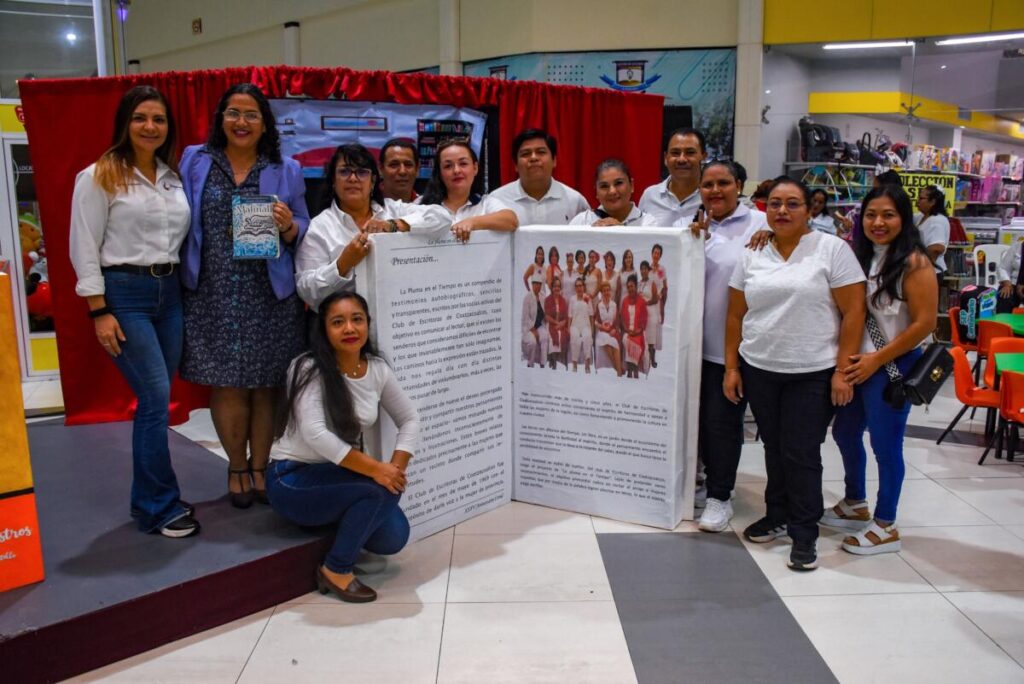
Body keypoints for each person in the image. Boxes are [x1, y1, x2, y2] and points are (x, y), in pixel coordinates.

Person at [69, 85, 198, 538]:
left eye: (158, 119)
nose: (150, 127)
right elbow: (83, 246)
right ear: (125, 122)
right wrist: (98, 311)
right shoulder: (98, 176)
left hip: (170, 294)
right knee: (155, 398)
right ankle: (159, 507)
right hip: (124, 295)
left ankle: (149, 499)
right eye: (141, 117)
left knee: (158, 399)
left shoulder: (172, 177)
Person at [724, 177, 866, 571]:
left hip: (812, 371)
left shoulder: (831, 249)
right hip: (760, 367)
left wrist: (843, 372)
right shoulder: (753, 252)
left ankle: (805, 533)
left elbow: (854, 312)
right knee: (773, 446)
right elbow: (735, 315)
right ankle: (778, 514)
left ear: (809, 209)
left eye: (792, 204)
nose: (782, 211)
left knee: (801, 452)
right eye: (774, 204)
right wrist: (732, 367)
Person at [179, 83, 310, 509]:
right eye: (233, 112)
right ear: (221, 119)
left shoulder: (285, 168)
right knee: (227, 383)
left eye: (251, 114)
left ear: (265, 123)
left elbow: (304, 225)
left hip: (269, 291)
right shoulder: (195, 160)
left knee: (266, 384)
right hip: (212, 290)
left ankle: (260, 467)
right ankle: (236, 466)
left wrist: (289, 226)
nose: (241, 122)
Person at [268, 291, 419, 603]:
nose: (350, 328)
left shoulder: (376, 369)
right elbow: (315, 434)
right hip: (292, 478)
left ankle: (340, 516)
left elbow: (410, 419)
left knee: (394, 537)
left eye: (357, 320)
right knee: (380, 491)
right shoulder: (307, 367)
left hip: (335, 475)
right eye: (338, 322)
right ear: (324, 329)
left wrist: (395, 469)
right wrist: (378, 471)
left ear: (367, 324)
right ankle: (336, 569)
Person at [826, 186, 937, 555]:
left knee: (886, 445)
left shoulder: (915, 263)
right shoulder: (857, 256)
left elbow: (924, 324)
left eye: (888, 214)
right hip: (858, 363)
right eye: (871, 214)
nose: (878, 222)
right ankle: (855, 501)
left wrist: (877, 358)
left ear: (903, 218)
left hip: (892, 366)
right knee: (844, 431)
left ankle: (886, 524)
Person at [684, 161, 769, 534]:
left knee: (722, 425)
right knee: (696, 424)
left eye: (723, 183)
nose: (715, 190)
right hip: (690, 348)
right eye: (708, 184)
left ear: (739, 185)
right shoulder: (690, 226)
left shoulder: (762, 224)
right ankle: (697, 485)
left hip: (732, 349)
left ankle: (720, 496)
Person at [295, 144, 450, 311]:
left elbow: (443, 217)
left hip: (400, 313)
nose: (353, 179)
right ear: (333, 180)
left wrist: (394, 225)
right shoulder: (319, 227)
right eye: (344, 171)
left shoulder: (393, 210)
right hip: (346, 321)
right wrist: (343, 264)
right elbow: (306, 290)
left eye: (362, 172)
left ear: (373, 181)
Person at [419, 138, 518, 242]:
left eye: (463, 164)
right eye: (448, 166)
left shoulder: (485, 203)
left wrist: (472, 222)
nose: (456, 170)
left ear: (475, 168)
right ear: (439, 173)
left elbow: (511, 220)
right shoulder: (423, 204)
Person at [490, 128, 590, 225]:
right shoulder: (497, 200)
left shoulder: (575, 201)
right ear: (515, 165)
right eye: (526, 154)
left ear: (554, 160)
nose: (533, 158)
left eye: (541, 152)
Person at [639, 128, 707, 227]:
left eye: (690, 152)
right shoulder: (650, 195)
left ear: (704, 157)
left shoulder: (711, 196)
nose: (682, 159)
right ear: (665, 158)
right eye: (675, 153)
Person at [570, 159, 658, 226]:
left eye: (618, 183)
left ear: (632, 185)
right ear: (596, 192)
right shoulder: (582, 222)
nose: (612, 191)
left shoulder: (648, 223)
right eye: (604, 186)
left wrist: (620, 233)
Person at [915, 184, 950, 282]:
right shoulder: (921, 217)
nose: (917, 201)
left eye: (921, 198)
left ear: (932, 202)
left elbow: (937, 248)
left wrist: (923, 268)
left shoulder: (937, 221)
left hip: (930, 272)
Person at [619, 274, 648, 378]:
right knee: (626, 339)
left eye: (632, 286)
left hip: (638, 332)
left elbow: (644, 320)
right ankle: (631, 371)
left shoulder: (641, 301)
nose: (630, 289)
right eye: (628, 287)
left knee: (635, 342)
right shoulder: (625, 301)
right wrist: (627, 330)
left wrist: (637, 331)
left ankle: (633, 370)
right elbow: (622, 319)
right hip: (627, 331)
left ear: (636, 287)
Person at [594, 280, 623, 376]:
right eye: (604, 291)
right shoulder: (599, 305)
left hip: (612, 331)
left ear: (610, 291)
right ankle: (619, 370)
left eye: (608, 290)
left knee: (614, 343)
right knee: (605, 340)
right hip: (602, 331)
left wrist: (614, 329)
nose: (606, 292)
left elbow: (617, 321)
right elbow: (595, 321)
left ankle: (618, 372)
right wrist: (601, 326)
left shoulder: (614, 305)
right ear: (601, 293)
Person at [378, 138, 419, 203]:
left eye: (408, 165)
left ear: (417, 169)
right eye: (394, 165)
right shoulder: (366, 204)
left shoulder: (427, 206)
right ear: (380, 168)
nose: (402, 171)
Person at [568, 278, 595, 373]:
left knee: (587, 337)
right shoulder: (572, 299)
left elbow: (591, 315)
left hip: (585, 324)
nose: (579, 288)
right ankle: (574, 364)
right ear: (575, 288)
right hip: (575, 324)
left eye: (580, 286)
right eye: (577, 286)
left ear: (583, 287)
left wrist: (592, 329)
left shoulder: (587, 298)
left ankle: (587, 364)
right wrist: (568, 328)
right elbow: (570, 315)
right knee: (574, 337)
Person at [522, 274, 549, 366]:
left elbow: (544, 312)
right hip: (529, 327)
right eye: (535, 284)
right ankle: (530, 364)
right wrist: (533, 330)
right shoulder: (528, 297)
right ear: (532, 284)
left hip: (539, 325)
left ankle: (543, 364)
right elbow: (525, 317)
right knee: (533, 342)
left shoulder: (542, 296)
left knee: (545, 337)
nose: (537, 286)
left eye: (539, 284)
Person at [639, 260, 661, 368]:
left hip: (650, 312)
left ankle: (653, 360)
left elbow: (656, 299)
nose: (643, 271)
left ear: (648, 270)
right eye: (642, 269)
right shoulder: (638, 283)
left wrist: (646, 303)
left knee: (651, 338)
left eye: (645, 269)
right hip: (641, 313)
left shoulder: (652, 283)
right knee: (643, 337)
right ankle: (644, 359)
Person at [544, 277, 569, 369]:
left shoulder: (563, 300)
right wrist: (556, 323)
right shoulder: (547, 299)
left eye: (558, 286)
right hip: (551, 324)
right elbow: (547, 316)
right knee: (552, 338)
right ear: (552, 288)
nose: (557, 288)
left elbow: (565, 317)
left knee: (562, 335)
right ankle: (553, 362)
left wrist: (561, 324)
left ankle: (560, 362)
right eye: (555, 286)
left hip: (561, 325)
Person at [996, 241, 1024, 313]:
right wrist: (1007, 284)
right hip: (1013, 284)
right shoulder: (1017, 246)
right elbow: (1003, 268)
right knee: (1005, 295)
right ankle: (1003, 319)